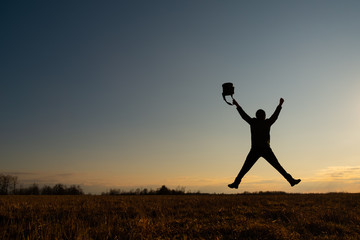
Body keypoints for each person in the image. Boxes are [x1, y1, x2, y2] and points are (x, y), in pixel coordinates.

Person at [228, 98, 301, 189]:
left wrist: (237, 105)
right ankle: (291, 181)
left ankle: (236, 183)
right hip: (266, 149)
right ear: (264, 116)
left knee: (245, 168)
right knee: (278, 166)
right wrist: (280, 105)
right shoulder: (267, 123)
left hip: (255, 149)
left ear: (257, 116)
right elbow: (275, 116)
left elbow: (244, 115)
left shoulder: (253, 122)